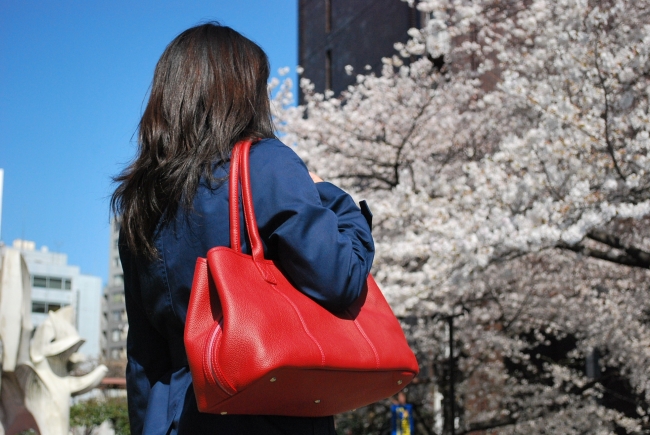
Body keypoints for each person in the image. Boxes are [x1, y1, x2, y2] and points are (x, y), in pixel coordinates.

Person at [111, 23, 375, 435]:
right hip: (267, 412)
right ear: (244, 93)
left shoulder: (141, 200)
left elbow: (144, 355)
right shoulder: (266, 164)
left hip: (177, 417)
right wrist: (330, 196)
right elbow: (340, 279)